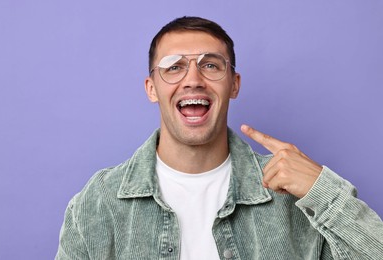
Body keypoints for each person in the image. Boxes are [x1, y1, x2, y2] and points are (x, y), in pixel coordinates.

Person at [56, 16, 383, 260]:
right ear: (151, 88)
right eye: (173, 67)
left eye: (210, 65)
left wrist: (323, 194)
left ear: (234, 84)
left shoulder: (296, 197)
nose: (193, 80)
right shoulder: (99, 203)